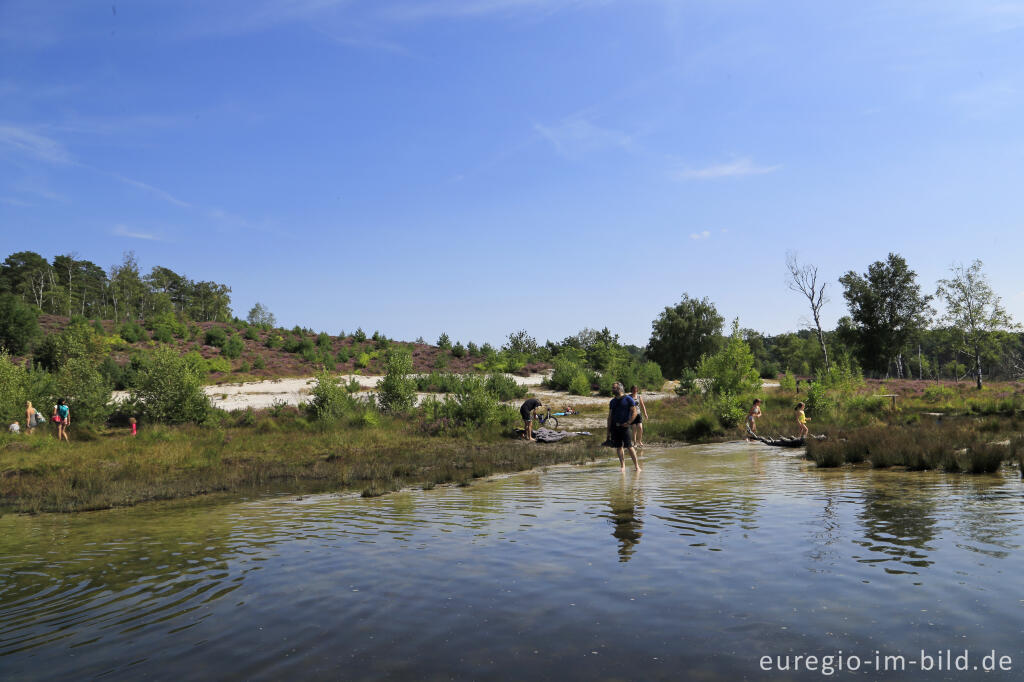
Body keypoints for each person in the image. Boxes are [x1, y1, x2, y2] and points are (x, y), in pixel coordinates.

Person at [607, 382, 641, 472]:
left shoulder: (628, 399)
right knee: (619, 447)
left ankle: (637, 467)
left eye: (614, 388)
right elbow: (610, 417)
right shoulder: (612, 401)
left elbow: (635, 412)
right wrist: (608, 432)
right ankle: (623, 467)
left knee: (629, 447)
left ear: (619, 389)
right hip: (615, 427)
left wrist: (629, 422)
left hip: (625, 427)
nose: (612, 389)